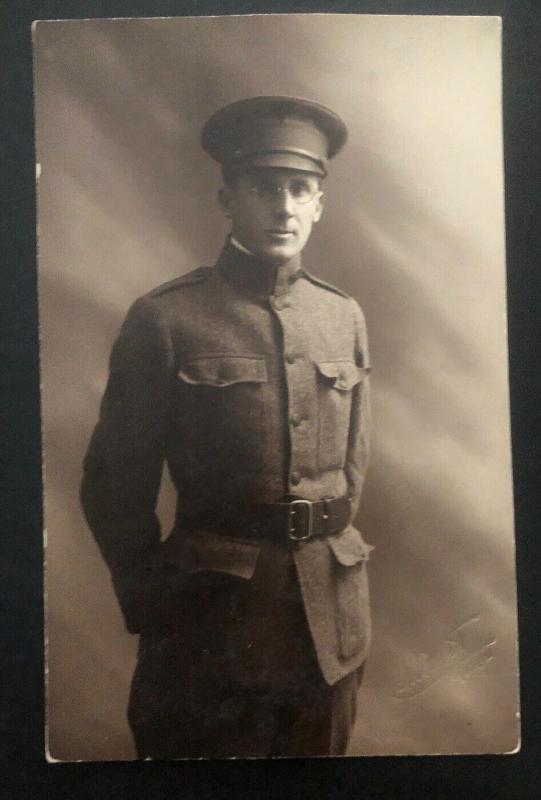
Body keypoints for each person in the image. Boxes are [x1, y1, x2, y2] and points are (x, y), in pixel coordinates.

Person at [81, 95, 373, 759]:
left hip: (329, 630)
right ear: (227, 198)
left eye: (300, 189)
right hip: (207, 630)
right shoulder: (167, 319)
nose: (284, 207)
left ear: (319, 203)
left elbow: (354, 466)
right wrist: (159, 606)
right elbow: (112, 484)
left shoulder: (342, 316)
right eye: (264, 187)